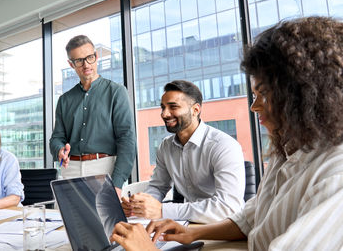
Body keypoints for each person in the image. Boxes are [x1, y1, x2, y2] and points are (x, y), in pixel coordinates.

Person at [111, 16, 343, 250]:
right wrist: (190, 232)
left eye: (262, 94)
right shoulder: (286, 151)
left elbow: (228, 208)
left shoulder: (335, 175)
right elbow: (250, 218)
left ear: (303, 94)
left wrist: (146, 246)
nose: (254, 106)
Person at [121, 80, 245, 223]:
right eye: (163, 107)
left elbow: (227, 207)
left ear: (195, 110)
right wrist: (140, 206)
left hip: (224, 225)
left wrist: (161, 210)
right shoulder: (166, 147)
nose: (165, 114)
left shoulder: (223, 145)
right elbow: (158, 187)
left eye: (173, 107)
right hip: (188, 222)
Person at [49, 35, 136, 195]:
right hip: (71, 170)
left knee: (104, 220)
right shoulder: (64, 100)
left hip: (103, 168)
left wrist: (117, 183)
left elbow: (127, 139)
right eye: (79, 60)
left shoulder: (116, 92)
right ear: (71, 64)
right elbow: (56, 138)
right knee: (65, 219)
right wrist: (59, 149)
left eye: (89, 58)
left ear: (96, 57)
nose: (86, 64)